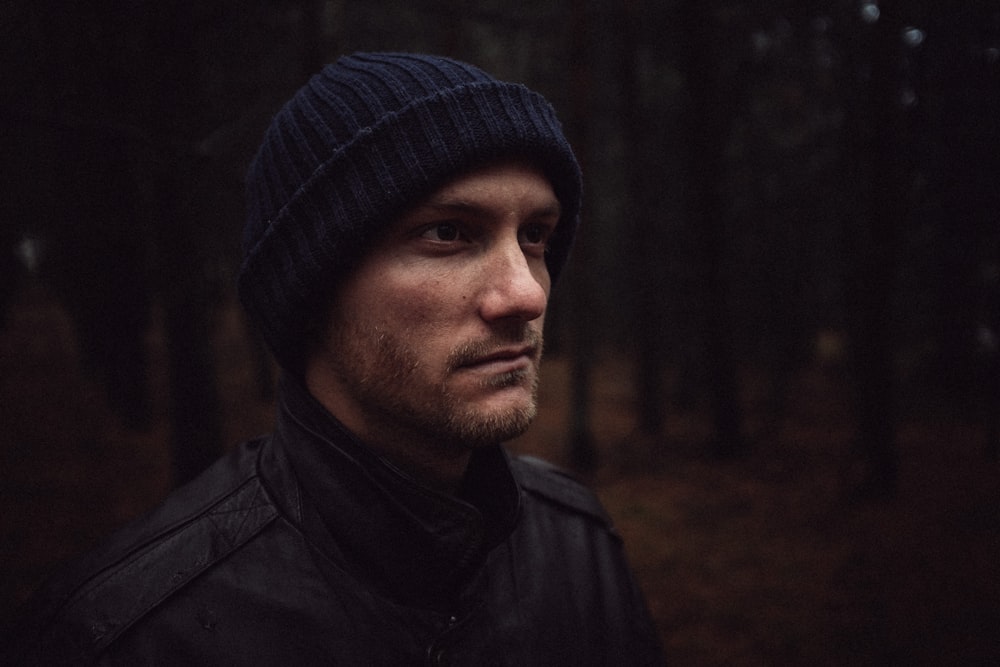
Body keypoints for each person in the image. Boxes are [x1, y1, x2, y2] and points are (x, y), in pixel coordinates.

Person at [4, 52, 665, 666]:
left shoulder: (581, 547)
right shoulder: (123, 635)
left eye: (536, 236)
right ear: (313, 288)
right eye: (448, 232)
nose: (525, 291)